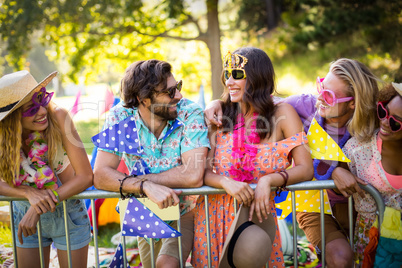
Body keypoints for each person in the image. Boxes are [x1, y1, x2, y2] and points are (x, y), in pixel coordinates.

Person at [205, 58, 380, 268]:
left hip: (354, 203)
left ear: (353, 102)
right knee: (340, 257)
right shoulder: (302, 105)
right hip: (313, 204)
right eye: (320, 87)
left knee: (368, 259)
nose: (320, 98)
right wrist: (217, 102)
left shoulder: (374, 122)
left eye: (329, 96)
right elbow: (261, 100)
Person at [191, 47, 313, 268]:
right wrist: (226, 182)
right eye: (226, 74)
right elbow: (202, 170)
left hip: (258, 215)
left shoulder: (283, 114)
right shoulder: (220, 116)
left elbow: (305, 168)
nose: (229, 81)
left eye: (237, 74)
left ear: (257, 77)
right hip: (214, 217)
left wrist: (268, 180)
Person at [93, 59, 210, 268]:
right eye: (169, 92)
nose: (179, 96)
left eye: (178, 87)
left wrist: (139, 182)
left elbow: (193, 174)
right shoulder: (120, 116)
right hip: (144, 211)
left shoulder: (190, 112)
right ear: (143, 99)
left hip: (186, 209)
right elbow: (101, 175)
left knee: (167, 265)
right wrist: (145, 187)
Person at [0, 70, 93, 268]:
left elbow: (85, 177)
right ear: (12, 117)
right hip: (24, 218)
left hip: (68, 215)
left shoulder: (59, 116)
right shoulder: (3, 139)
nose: (42, 111)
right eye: (31, 108)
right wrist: (27, 192)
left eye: (41, 101)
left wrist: (38, 207)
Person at [343, 82, 402, 266]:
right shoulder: (357, 149)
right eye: (383, 111)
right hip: (371, 242)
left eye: (395, 121)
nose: (384, 122)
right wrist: (337, 170)